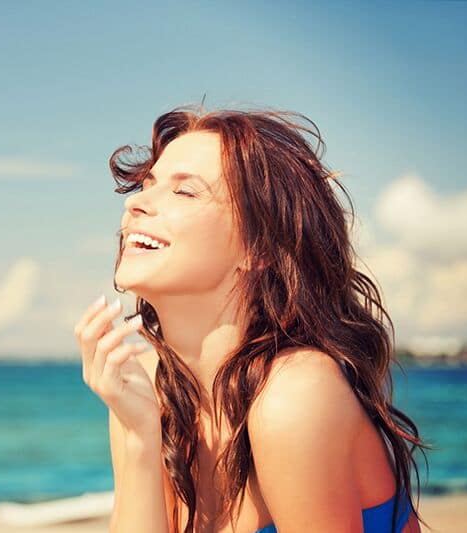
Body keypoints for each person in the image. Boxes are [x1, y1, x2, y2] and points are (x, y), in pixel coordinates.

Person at [74, 103, 430, 533]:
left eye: (184, 192)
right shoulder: (146, 388)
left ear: (258, 249)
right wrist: (138, 438)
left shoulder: (293, 394)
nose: (138, 205)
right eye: (147, 186)